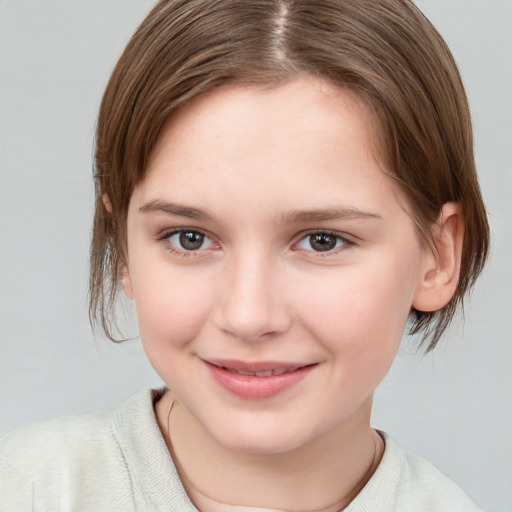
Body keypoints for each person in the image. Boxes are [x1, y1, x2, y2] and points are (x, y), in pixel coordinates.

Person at [0, 0, 490, 510]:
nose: (249, 316)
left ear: (437, 256)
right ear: (122, 245)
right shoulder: (28, 491)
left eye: (322, 240)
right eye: (189, 238)